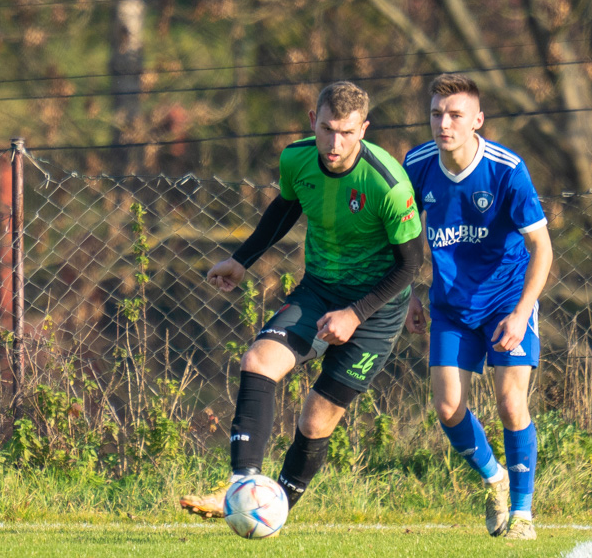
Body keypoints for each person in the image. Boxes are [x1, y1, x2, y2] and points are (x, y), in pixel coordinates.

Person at [181, 81, 423, 518]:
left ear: (364, 129)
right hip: (319, 289)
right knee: (259, 361)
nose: (335, 143)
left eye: (347, 133)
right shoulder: (296, 157)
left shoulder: (388, 185)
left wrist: (355, 314)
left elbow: (409, 265)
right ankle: (241, 490)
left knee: (316, 419)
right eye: (328, 129)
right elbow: (285, 207)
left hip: (377, 308)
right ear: (313, 121)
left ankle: (277, 508)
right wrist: (242, 260)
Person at [403, 74, 552, 540]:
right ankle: (495, 479)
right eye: (436, 114)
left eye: (455, 115)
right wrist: (408, 293)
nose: (443, 124)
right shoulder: (417, 163)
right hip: (449, 305)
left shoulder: (507, 169)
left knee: (511, 404)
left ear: (477, 121)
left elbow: (542, 247)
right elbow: (403, 236)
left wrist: (523, 311)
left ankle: (523, 514)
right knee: (448, 407)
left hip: (507, 302)